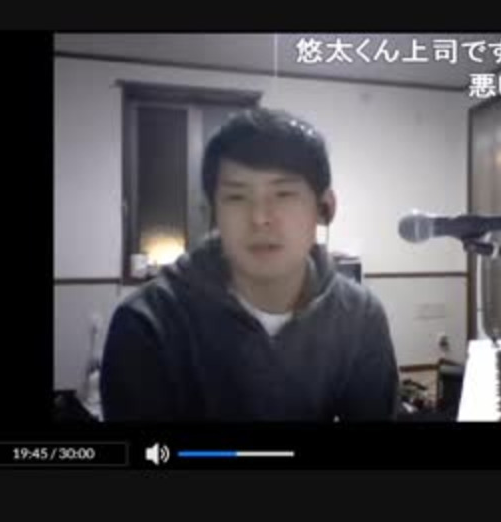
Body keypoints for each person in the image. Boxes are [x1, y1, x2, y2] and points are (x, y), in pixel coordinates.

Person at [100, 107, 400, 421]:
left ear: (324, 208)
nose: (259, 217)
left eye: (283, 194)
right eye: (237, 197)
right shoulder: (149, 323)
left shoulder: (359, 317)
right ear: (213, 211)